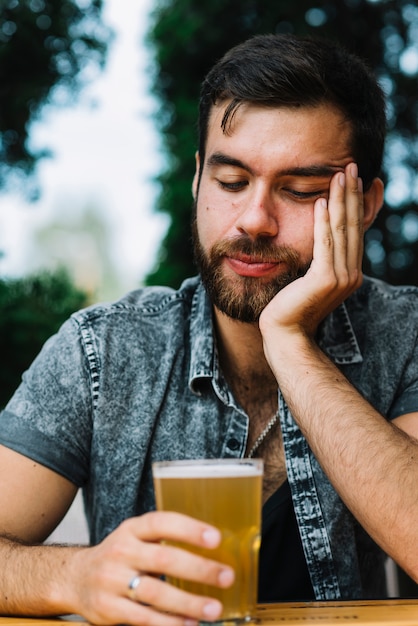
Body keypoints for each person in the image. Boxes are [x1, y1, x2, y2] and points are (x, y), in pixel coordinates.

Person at [0, 31, 417, 626]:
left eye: (300, 191)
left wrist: (290, 343)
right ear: (197, 180)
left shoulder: (406, 334)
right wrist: (75, 577)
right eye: (230, 182)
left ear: (366, 206)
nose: (254, 220)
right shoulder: (105, 351)